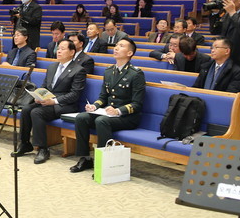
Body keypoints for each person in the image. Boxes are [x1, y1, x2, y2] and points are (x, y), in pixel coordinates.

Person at [70, 38, 146, 173]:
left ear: (129, 53)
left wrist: (118, 111)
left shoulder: (136, 74)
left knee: (101, 120)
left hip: (127, 117)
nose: (116, 48)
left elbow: (137, 104)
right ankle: (85, 158)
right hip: (108, 114)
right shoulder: (109, 71)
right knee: (82, 117)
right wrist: (94, 106)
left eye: (121, 46)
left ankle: (103, 163)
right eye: (116, 45)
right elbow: (103, 97)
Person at [11, 40, 87, 164]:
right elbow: (45, 86)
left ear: (72, 52)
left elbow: (74, 94)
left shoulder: (78, 70)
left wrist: (54, 101)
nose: (59, 51)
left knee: (36, 112)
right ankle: (25, 143)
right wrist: (38, 96)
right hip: (47, 101)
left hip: (65, 105)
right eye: (58, 49)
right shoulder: (52, 67)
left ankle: (43, 149)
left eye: (63, 49)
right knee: (25, 109)